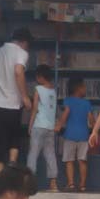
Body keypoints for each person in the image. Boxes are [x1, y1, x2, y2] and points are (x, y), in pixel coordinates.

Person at [0, 27, 34, 173]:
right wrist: (25, 97)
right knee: (14, 136)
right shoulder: (21, 52)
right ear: (24, 42)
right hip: (12, 104)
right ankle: (12, 164)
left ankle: (0, 176)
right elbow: (18, 71)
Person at [55, 76, 94, 192]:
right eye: (84, 87)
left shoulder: (68, 101)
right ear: (78, 88)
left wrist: (59, 125)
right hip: (83, 136)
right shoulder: (86, 103)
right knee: (82, 160)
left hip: (70, 135)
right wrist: (95, 127)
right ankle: (82, 185)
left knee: (69, 160)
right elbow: (91, 119)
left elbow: (65, 114)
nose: (85, 89)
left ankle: (71, 184)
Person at [27, 64, 58, 192]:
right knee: (50, 154)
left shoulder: (38, 89)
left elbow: (35, 109)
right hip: (50, 128)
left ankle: (29, 183)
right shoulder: (53, 91)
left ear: (40, 77)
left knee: (33, 153)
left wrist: (30, 125)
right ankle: (53, 184)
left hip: (39, 125)